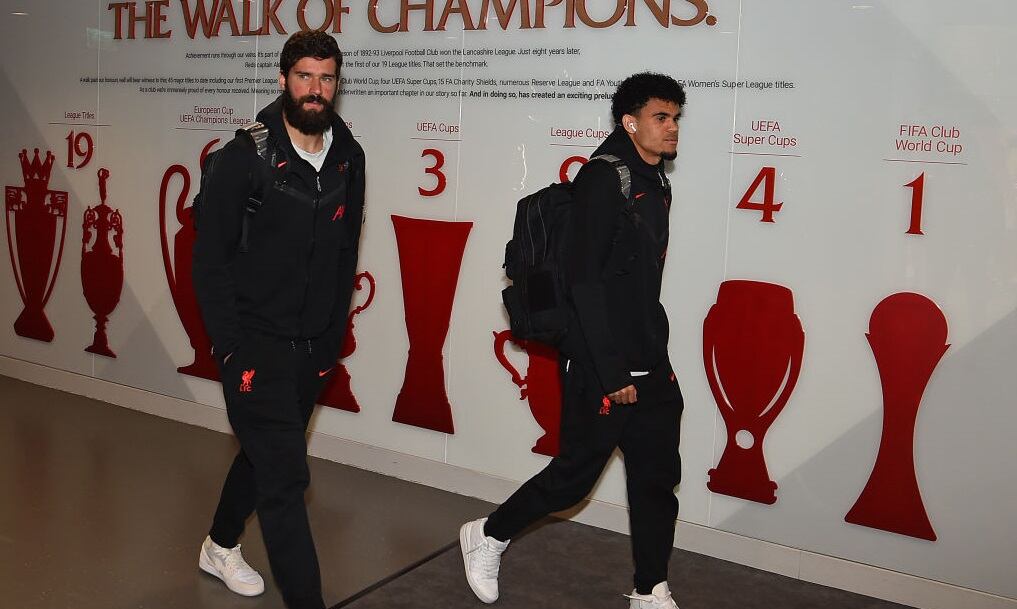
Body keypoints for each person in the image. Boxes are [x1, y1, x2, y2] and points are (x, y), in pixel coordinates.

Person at [460, 72, 686, 609]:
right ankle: (489, 533)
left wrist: (651, 355)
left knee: (657, 481)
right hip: (601, 362)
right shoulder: (603, 180)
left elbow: (637, 283)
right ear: (630, 122)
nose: (672, 127)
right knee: (572, 479)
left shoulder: (657, 181)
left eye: (676, 118)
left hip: (649, 358)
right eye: (661, 117)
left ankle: (650, 589)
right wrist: (611, 372)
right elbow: (584, 283)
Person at [191, 30, 364, 609]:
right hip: (253, 341)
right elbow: (209, 262)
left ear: (337, 84)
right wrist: (230, 348)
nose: (315, 90)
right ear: (283, 79)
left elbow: (345, 255)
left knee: (267, 453)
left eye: (326, 78)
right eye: (304, 77)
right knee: (287, 480)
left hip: (313, 346)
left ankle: (219, 544)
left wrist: (331, 339)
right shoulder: (244, 156)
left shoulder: (349, 156)